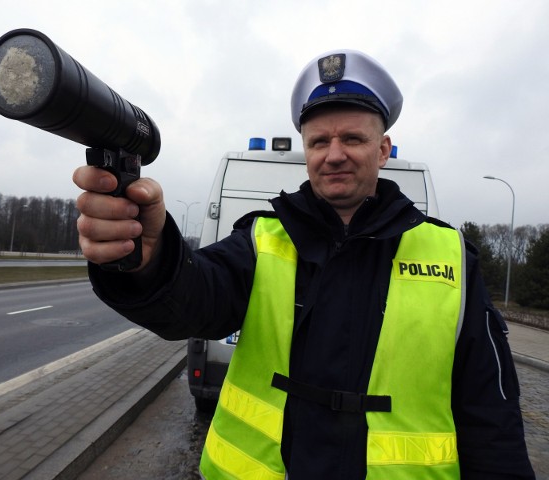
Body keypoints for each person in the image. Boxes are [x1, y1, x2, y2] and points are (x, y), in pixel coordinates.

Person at [73, 49, 536, 479]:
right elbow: (193, 301)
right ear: (307, 151)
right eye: (319, 141)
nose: (334, 154)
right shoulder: (261, 239)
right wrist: (150, 260)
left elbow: (492, 417)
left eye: (352, 138)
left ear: (382, 149)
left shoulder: (451, 256)